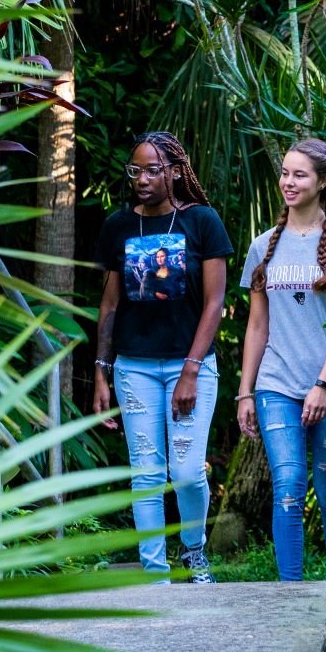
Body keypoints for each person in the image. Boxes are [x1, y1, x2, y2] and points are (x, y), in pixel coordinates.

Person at [92, 131, 233, 583]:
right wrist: (101, 371)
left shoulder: (203, 223)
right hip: (134, 367)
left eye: (153, 170)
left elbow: (214, 304)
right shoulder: (118, 226)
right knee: (147, 475)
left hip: (190, 366)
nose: (143, 179)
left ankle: (194, 552)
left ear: (175, 171)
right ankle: (154, 574)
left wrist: (191, 368)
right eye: (136, 170)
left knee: (189, 473)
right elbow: (110, 305)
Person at [236, 137, 326, 582]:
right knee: (289, 489)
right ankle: (290, 597)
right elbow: (257, 326)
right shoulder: (263, 246)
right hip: (276, 385)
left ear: (324, 181)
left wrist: (323, 385)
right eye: (285, 173)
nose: (288, 182)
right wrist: (245, 392)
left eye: (299, 174)